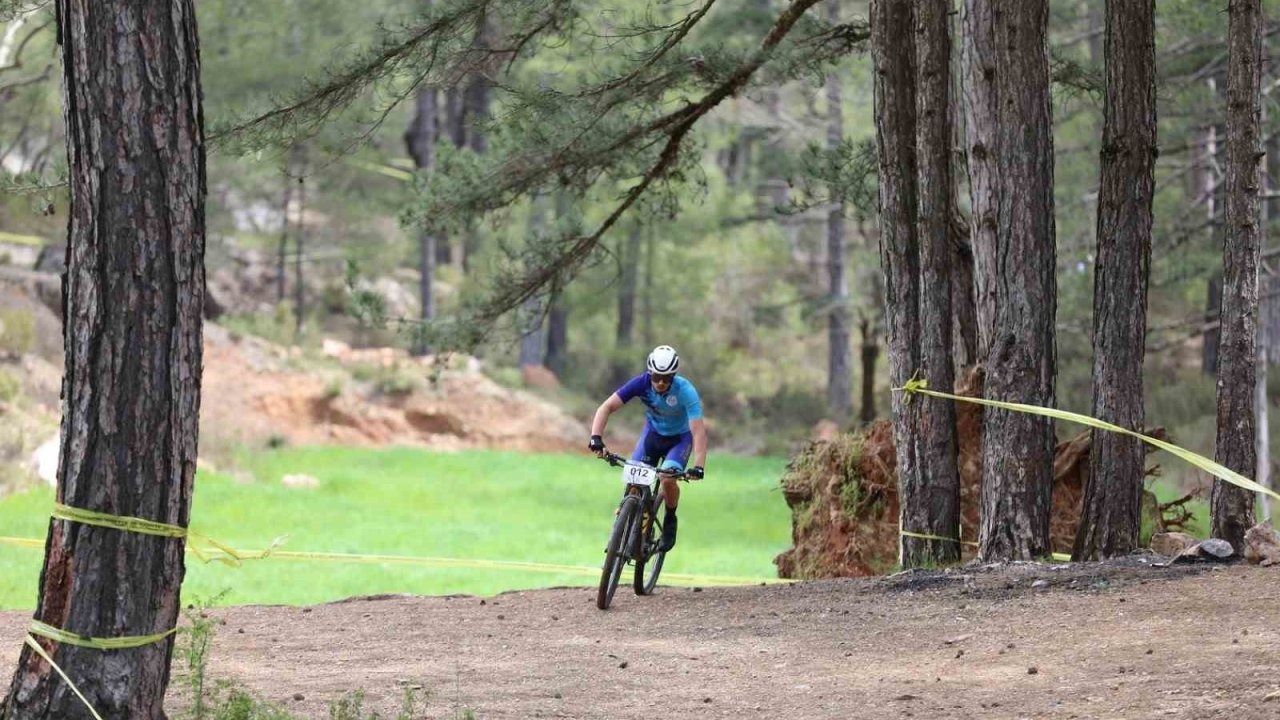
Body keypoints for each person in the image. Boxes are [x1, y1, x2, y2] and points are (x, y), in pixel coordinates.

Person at [589, 344, 706, 552]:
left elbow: (697, 430)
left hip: (679, 440)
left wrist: (698, 466)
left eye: (667, 378)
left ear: (674, 376)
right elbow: (606, 407)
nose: (661, 382)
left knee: (667, 479)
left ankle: (670, 519)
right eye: (656, 377)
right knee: (634, 478)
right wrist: (596, 438)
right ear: (650, 373)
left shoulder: (685, 391)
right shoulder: (641, 383)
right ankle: (628, 515)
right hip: (652, 436)